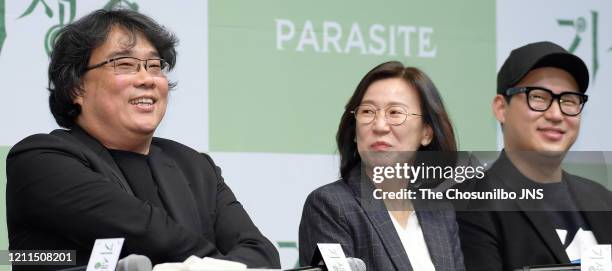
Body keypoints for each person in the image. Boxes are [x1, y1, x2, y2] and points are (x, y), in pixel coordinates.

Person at [6, 9, 280, 270]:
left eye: (154, 65)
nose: (147, 79)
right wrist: (217, 265)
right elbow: (151, 236)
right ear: (77, 86)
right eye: (125, 64)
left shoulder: (195, 166)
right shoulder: (39, 160)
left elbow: (261, 254)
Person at [456, 41, 612, 270]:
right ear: (501, 108)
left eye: (568, 100)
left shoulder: (602, 199)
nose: (556, 114)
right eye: (538, 97)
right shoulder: (473, 204)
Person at [299, 61, 465, 271]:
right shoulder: (331, 206)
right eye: (367, 112)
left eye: (395, 113)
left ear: (426, 133)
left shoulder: (440, 213)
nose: (379, 126)